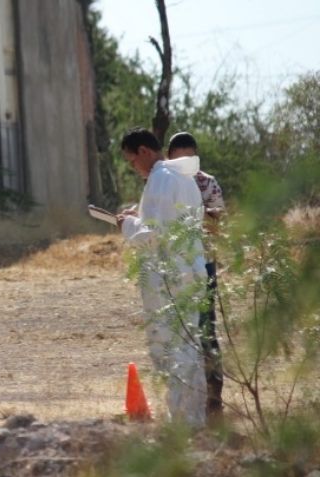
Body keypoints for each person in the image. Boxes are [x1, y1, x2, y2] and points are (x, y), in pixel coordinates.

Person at [116, 128, 208, 428]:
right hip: (188, 272)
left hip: (170, 277)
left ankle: (181, 422)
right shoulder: (180, 177)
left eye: (132, 161)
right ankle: (191, 418)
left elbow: (153, 236)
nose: (134, 168)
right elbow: (166, 224)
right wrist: (137, 217)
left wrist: (128, 224)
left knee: (170, 348)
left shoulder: (160, 178)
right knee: (188, 345)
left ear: (144, 151)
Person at [167, 131, 225, 420]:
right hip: (172, 265)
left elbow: (216, 224)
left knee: (205, 330)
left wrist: (193, 207)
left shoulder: (207, 183)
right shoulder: (162, 182)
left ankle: (214, 399)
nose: (185, 164)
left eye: (189, 158)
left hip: (202, 264)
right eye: (179, 160)